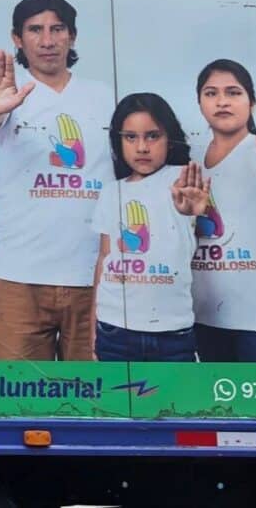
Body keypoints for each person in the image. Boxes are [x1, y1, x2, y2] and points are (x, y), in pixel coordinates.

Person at [0, 0, 114, 361]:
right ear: (17, 39)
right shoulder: (5, 94)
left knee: (93, 406)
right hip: (18, 279)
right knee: (22, 406)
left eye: (57, 29)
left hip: (92, 281)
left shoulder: (105, 98)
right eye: (35, 30)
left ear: (72, 36)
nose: (48, 40)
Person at [191, 59, 256, 361]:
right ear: (199, 102)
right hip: (204, 316)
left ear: (251, 101)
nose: (222, 101)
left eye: (233, 92)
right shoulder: (191, 159)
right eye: (211, 93)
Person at [91, 93, 209, 362]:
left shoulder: (183, 181)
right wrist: (92, 330)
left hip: (172, 333)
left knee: (176, 405)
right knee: (118, 405)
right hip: (114, 331)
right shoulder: (112, 192)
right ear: (118, 141)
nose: (142, 147)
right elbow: (103, 258)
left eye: (153, 136)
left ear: (170, 140)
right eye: (130, 137)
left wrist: (193, 214)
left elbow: (197, 223)